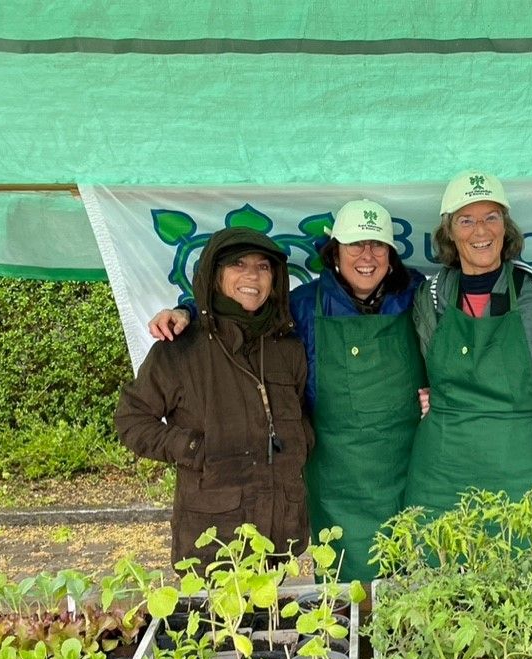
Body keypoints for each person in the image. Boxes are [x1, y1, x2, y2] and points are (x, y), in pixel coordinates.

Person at [148, 201, 425, 582]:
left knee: (411, 570)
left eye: (377, 245)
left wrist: (435, 393)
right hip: (335, 471)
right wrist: (188, 312)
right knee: (344, 583)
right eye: (354, 245)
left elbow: (444, 354)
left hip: (405, 461)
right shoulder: (301, 305)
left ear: (391, 257)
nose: (367, 256)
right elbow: (239, 313)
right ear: (335, 253)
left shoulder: (415, 296)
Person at [118, 227, 311, 567]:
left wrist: (300, 443)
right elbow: (132, 420)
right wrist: (193, 449)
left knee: (271, 618)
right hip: (212, 534)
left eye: (264, 266)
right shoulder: (181, 346)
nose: (253, 275)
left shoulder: (287, 346)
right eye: (238, 264)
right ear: (215, 274)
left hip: (278, 526)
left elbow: (300, 412)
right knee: (216, 621)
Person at [405, 171, 532, 515]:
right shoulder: (430, 295)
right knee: (437, 563)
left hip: (517, 468)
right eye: (466, 220)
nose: (480, 231)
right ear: (449, 232)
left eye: (491, 218)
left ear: (505, 225)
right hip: (440, 470)